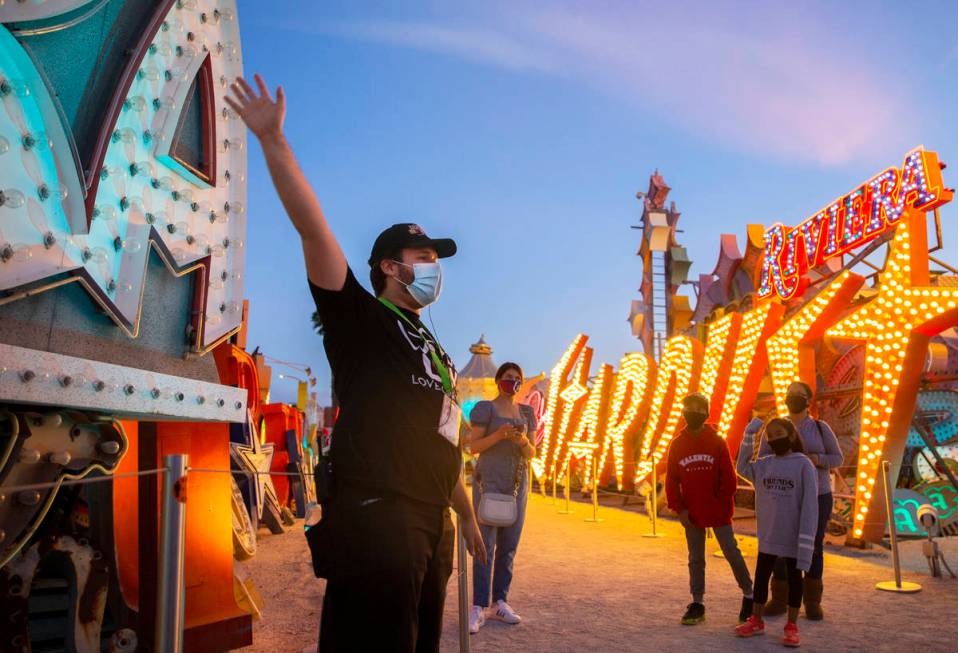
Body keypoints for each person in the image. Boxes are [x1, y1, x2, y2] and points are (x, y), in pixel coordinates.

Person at [225, 74, 486, 653]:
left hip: (431, 523)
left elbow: (444, 432)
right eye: (422, 257)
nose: (433, 267)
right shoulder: (362, 322)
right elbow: (313, 231)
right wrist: (274, 142)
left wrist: (462, 512)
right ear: (391, 267)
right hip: (379, 519)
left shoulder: (431, 343)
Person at [665, 393, 754, 626]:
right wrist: (680, 510)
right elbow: (672, 481)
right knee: (695, 558)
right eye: (688, 408)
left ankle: (749, 595)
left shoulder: (717, 441)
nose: (692, 412)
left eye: (697, 408)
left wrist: (719, 505)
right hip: (691, 512)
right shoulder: (677, 444)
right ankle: (697, 602)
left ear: (705, 412)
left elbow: (729, 479)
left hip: (718, 511)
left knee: (731, 552)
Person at [758, 381, 842, 620]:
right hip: (784, 496)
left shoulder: (820, 427)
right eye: (789, 394)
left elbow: (837, 458)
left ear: (808, 400)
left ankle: (812, 601)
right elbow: (762, 459)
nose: (792, 397)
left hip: (817, 495)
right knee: (781, 546)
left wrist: (815, 458)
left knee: (813, 546)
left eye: (799, 394)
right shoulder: (774, 427)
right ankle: (780, 598)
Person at [466, 363, 537, 634]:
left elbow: (532, 453)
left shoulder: (527, 412)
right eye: (509, 378)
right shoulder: (485, 408)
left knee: (509, 547)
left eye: (518, 379)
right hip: (489, 483)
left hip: (517, 486)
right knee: (485, 545)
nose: (514, 383)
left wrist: (520, 441)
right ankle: (478, 606)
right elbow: (473, 446)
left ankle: (500, 602)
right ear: (498, 381)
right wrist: (498, 435)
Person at [735, 418, 819, 647]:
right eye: (770, 435)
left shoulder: (803, 465)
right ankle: (756, 619)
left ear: (791, 435)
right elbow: (741, 467)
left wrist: (806, 538)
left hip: (793, 535)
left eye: (778, 432)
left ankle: (792, 626)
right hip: (769, 535)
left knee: (795, 580)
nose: (774, 438)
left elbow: (811, 504)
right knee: (761, 578)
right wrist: (751, 433)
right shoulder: (765, 464)